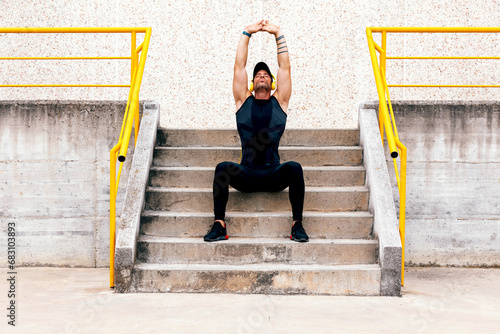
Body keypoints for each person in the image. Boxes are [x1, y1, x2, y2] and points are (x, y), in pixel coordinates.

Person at [204, 20, 308, 243]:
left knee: (295, 168)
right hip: (247, 174)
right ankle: (219, 224)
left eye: (266, 75)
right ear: (252, 83)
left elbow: (285, 68)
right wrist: (247, 33)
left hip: (273, 174)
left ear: (272, 83)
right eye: (258, 74)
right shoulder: (243, 101)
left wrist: (278, 34)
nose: (262, 76)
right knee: (222, 168)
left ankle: (297, 224)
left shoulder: (280, 101)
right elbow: (238, 67)